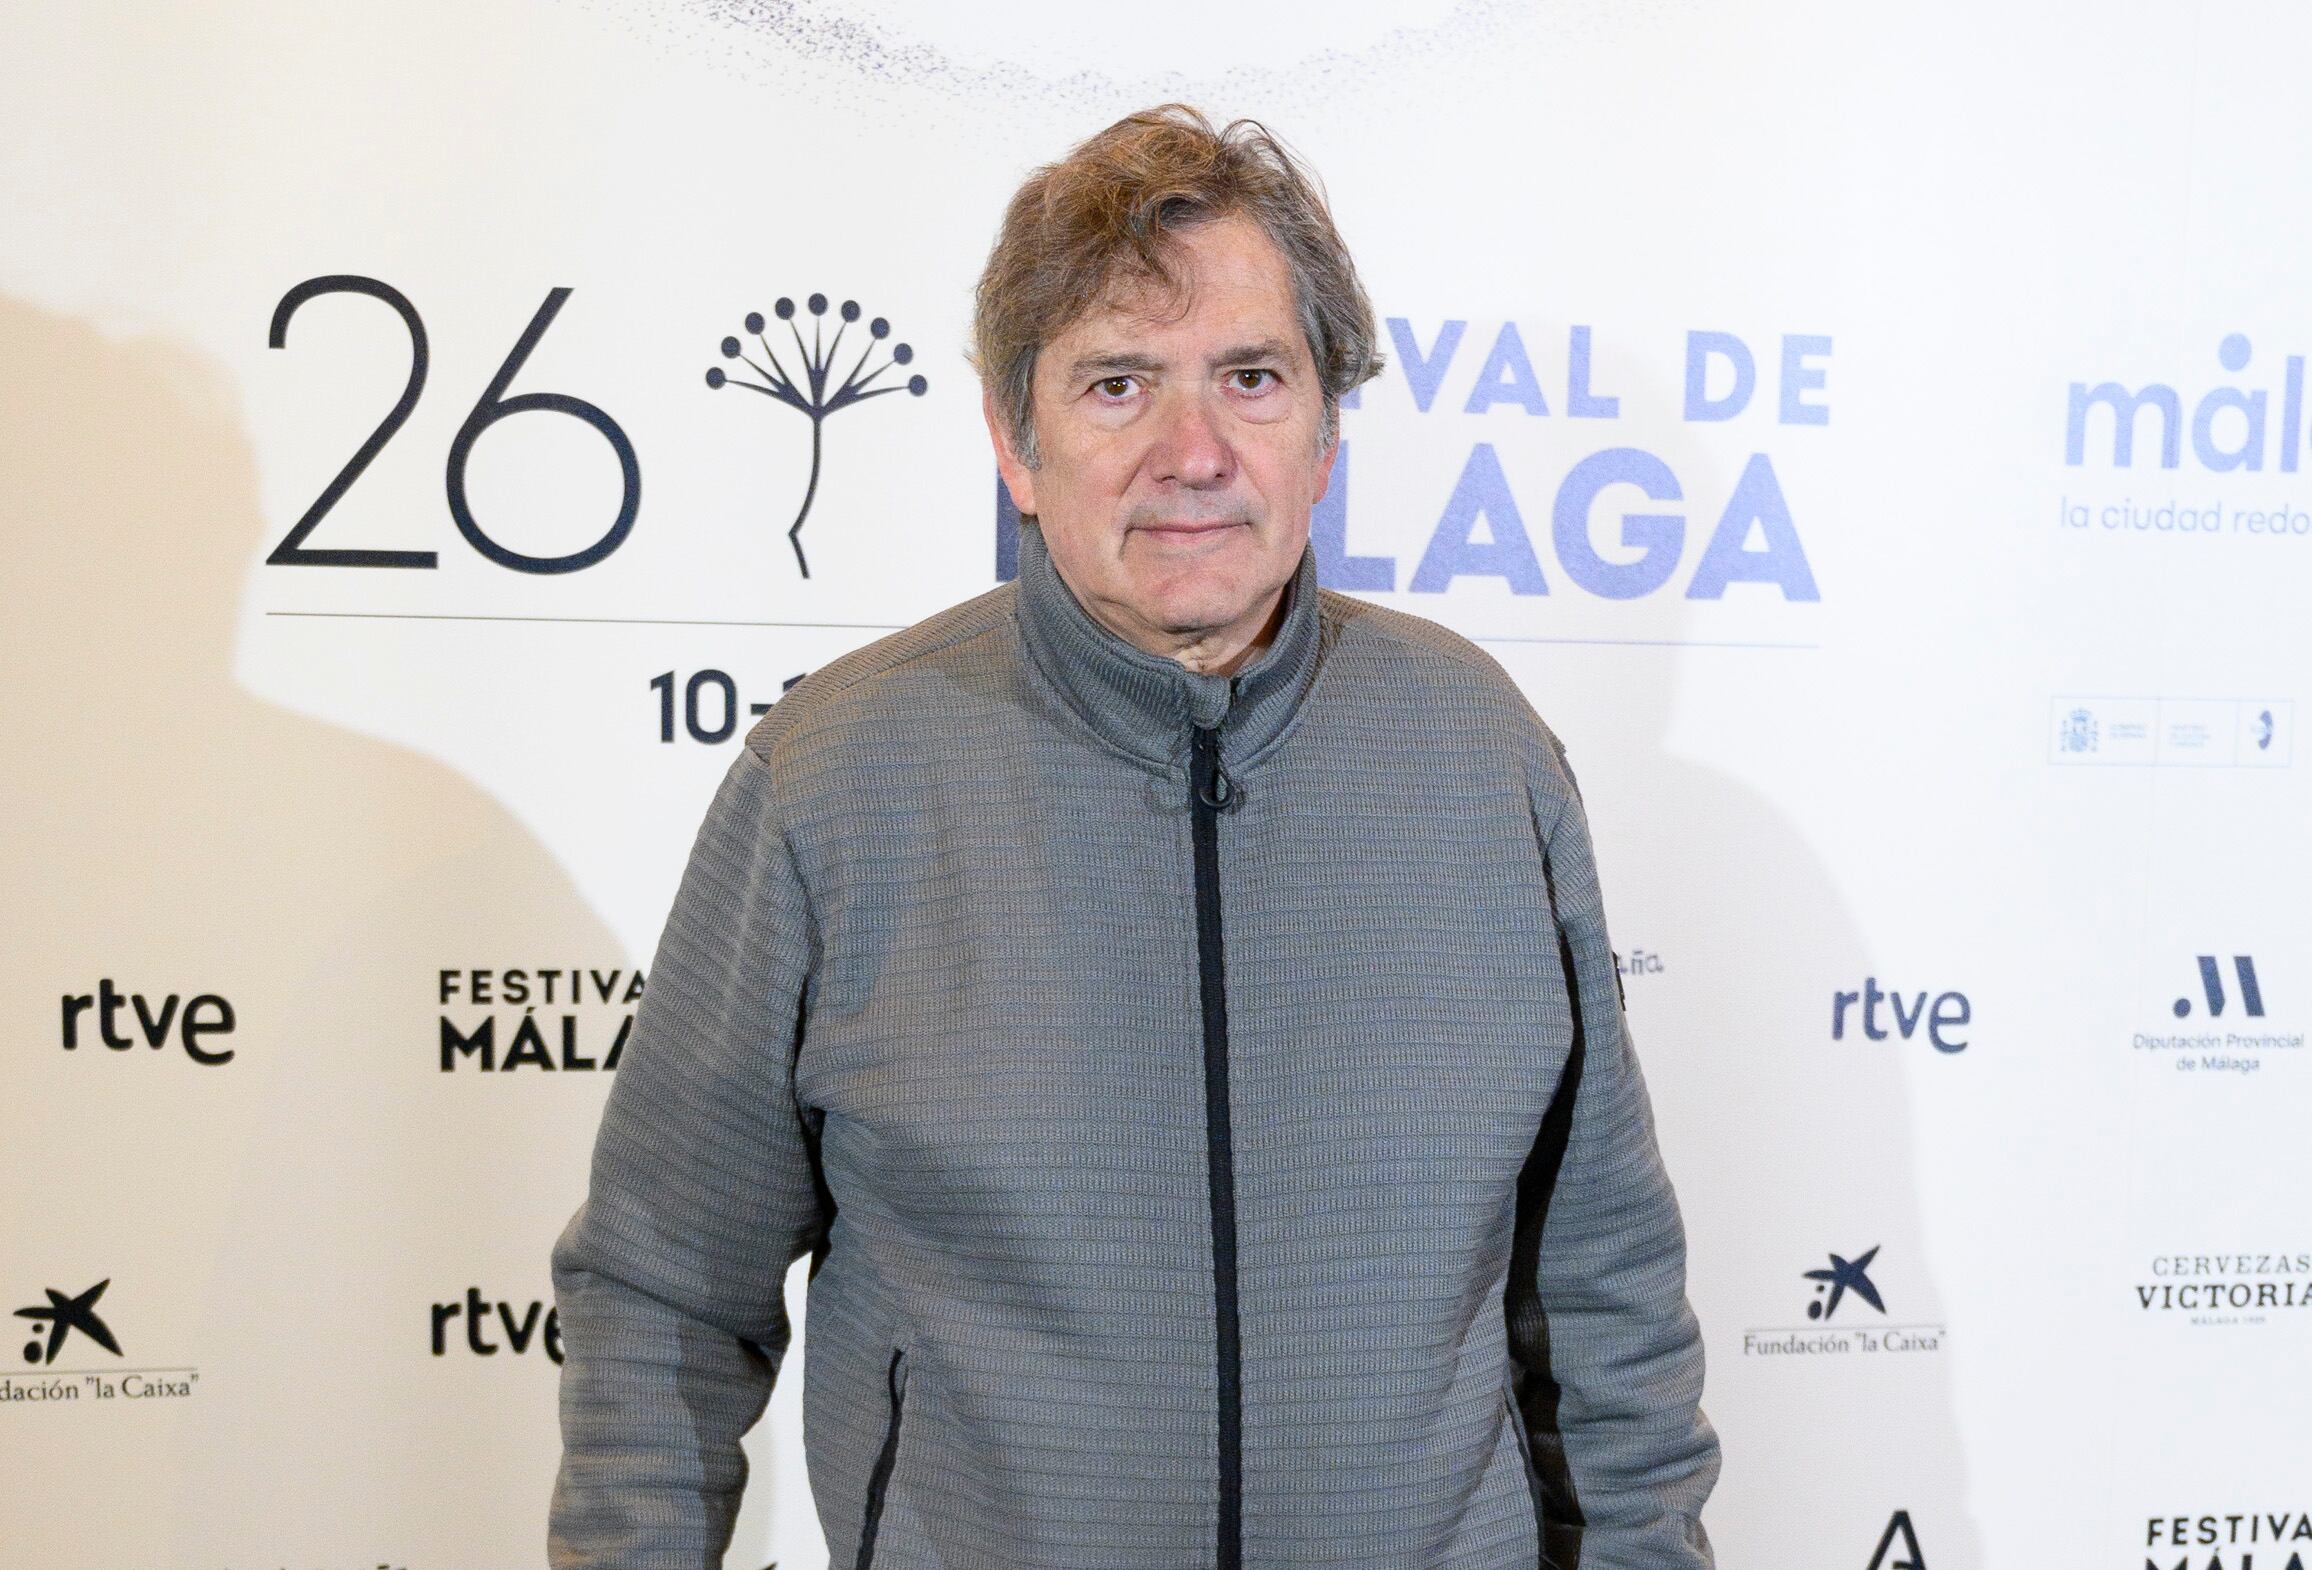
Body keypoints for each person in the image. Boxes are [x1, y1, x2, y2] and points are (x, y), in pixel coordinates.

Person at [549, 103, 1718, 1570]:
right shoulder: (834, 781)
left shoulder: (1482, 755)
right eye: (1117, 384)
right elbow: (661, 1295)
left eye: (1251, 377)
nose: (1195, 451)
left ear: (1325, 431)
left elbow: (1604, 1289)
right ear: (1012, 441)